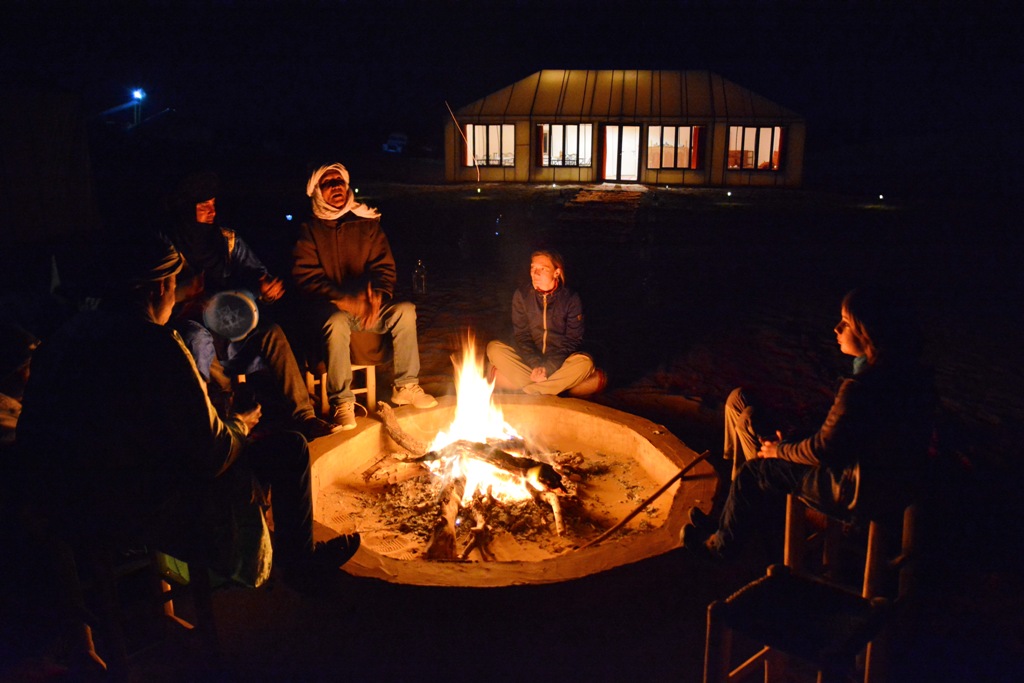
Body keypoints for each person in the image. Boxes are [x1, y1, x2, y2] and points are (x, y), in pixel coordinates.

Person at [16, 235, 360, 595]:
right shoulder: (157, 345)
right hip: (129, 507)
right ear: (160, 287)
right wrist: (241, 422)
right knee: (288, 449)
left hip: (57, 501)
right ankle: (294, 565)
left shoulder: (66, 336)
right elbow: (213, 455)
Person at [683, 286, 936, 562]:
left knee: (755, 471)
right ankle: (727, 521)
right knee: (744, 407)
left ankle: (721, 547)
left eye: (846, 323)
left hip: (852, 490)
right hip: (879, 480)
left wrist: (780, 451)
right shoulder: (913, 378)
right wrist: (791, 441)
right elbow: (848, 436)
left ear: (868, 333)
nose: (836, 329)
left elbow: (824, 450)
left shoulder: (861, 387)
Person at [164, 171, 336, 440]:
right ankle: (221, 419)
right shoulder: (170, 250)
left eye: (213, 203)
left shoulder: (226, 241)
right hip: (195, 328)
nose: (212, 211)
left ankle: (305, 416)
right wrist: (187, 298)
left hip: (233, 324)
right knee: (197, 339)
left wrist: (266, 290)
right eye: (203, 206)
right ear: (187, 210)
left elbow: (258, 273)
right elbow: (158, 298)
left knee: (272, 332)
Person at [292, 163, 436, 430]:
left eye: (340, 181)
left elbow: (384, 268)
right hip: (329, 314)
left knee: (405, 310)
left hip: (367, 311)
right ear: (317, 193)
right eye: (328, 183)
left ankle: (405, 385)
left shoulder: (366, 223)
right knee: (335, 322)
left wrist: (377, 296)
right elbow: (306, 278)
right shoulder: (309, 231)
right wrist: (342, 299)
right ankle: (342, 402)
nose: (336, 186)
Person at [486, 249, 606, 397]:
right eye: (533, 268)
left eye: (543, 269)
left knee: (584, 363)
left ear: (556, 272)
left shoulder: (570, 299)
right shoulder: (522, 295)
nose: (535, 274)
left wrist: (548, 368)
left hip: (560, 364)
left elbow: (572, 341)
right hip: (530, 363)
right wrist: (536, 365)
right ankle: (554, 388)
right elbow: (522, 336)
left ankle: (530, 391)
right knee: (494, 349)